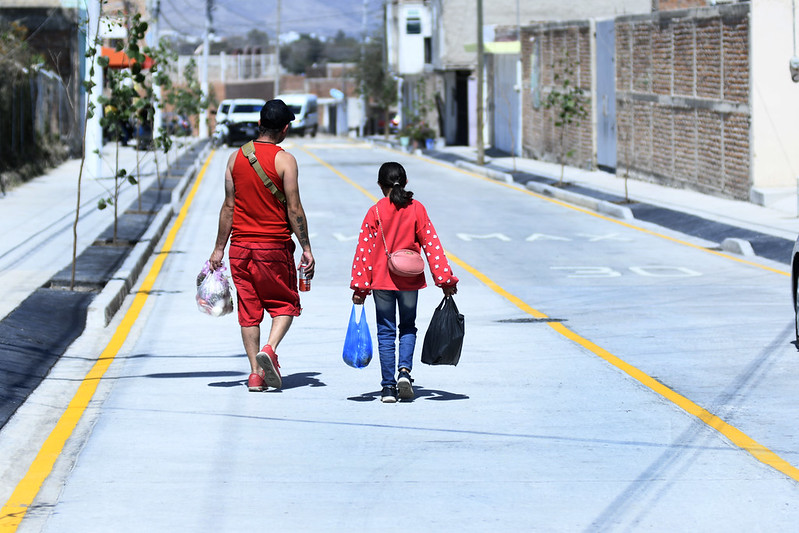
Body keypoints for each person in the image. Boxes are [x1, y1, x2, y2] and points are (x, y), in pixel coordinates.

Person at [210, 99, 315, 393]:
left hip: (240, 250)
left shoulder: (235, 158)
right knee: (285, 304)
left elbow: (228, 207)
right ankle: (269, 349)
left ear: (259, 125)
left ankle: (255, 375)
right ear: (284, 129)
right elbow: (294, 208)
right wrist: (306, 247)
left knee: (249, 310)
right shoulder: (285, 161)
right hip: (273, 248)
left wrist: (219, 249)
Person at [351, 162, 458, 403]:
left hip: (381, 281)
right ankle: (404, 373)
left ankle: (388, 387)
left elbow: (364, 250)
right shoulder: (417, 209)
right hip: (409, 281)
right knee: (408, 327)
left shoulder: (375, 211)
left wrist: (360, 287)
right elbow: (432, 245)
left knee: (385, 332)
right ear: (406, 182)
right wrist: (444, 280)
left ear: (380, 185)